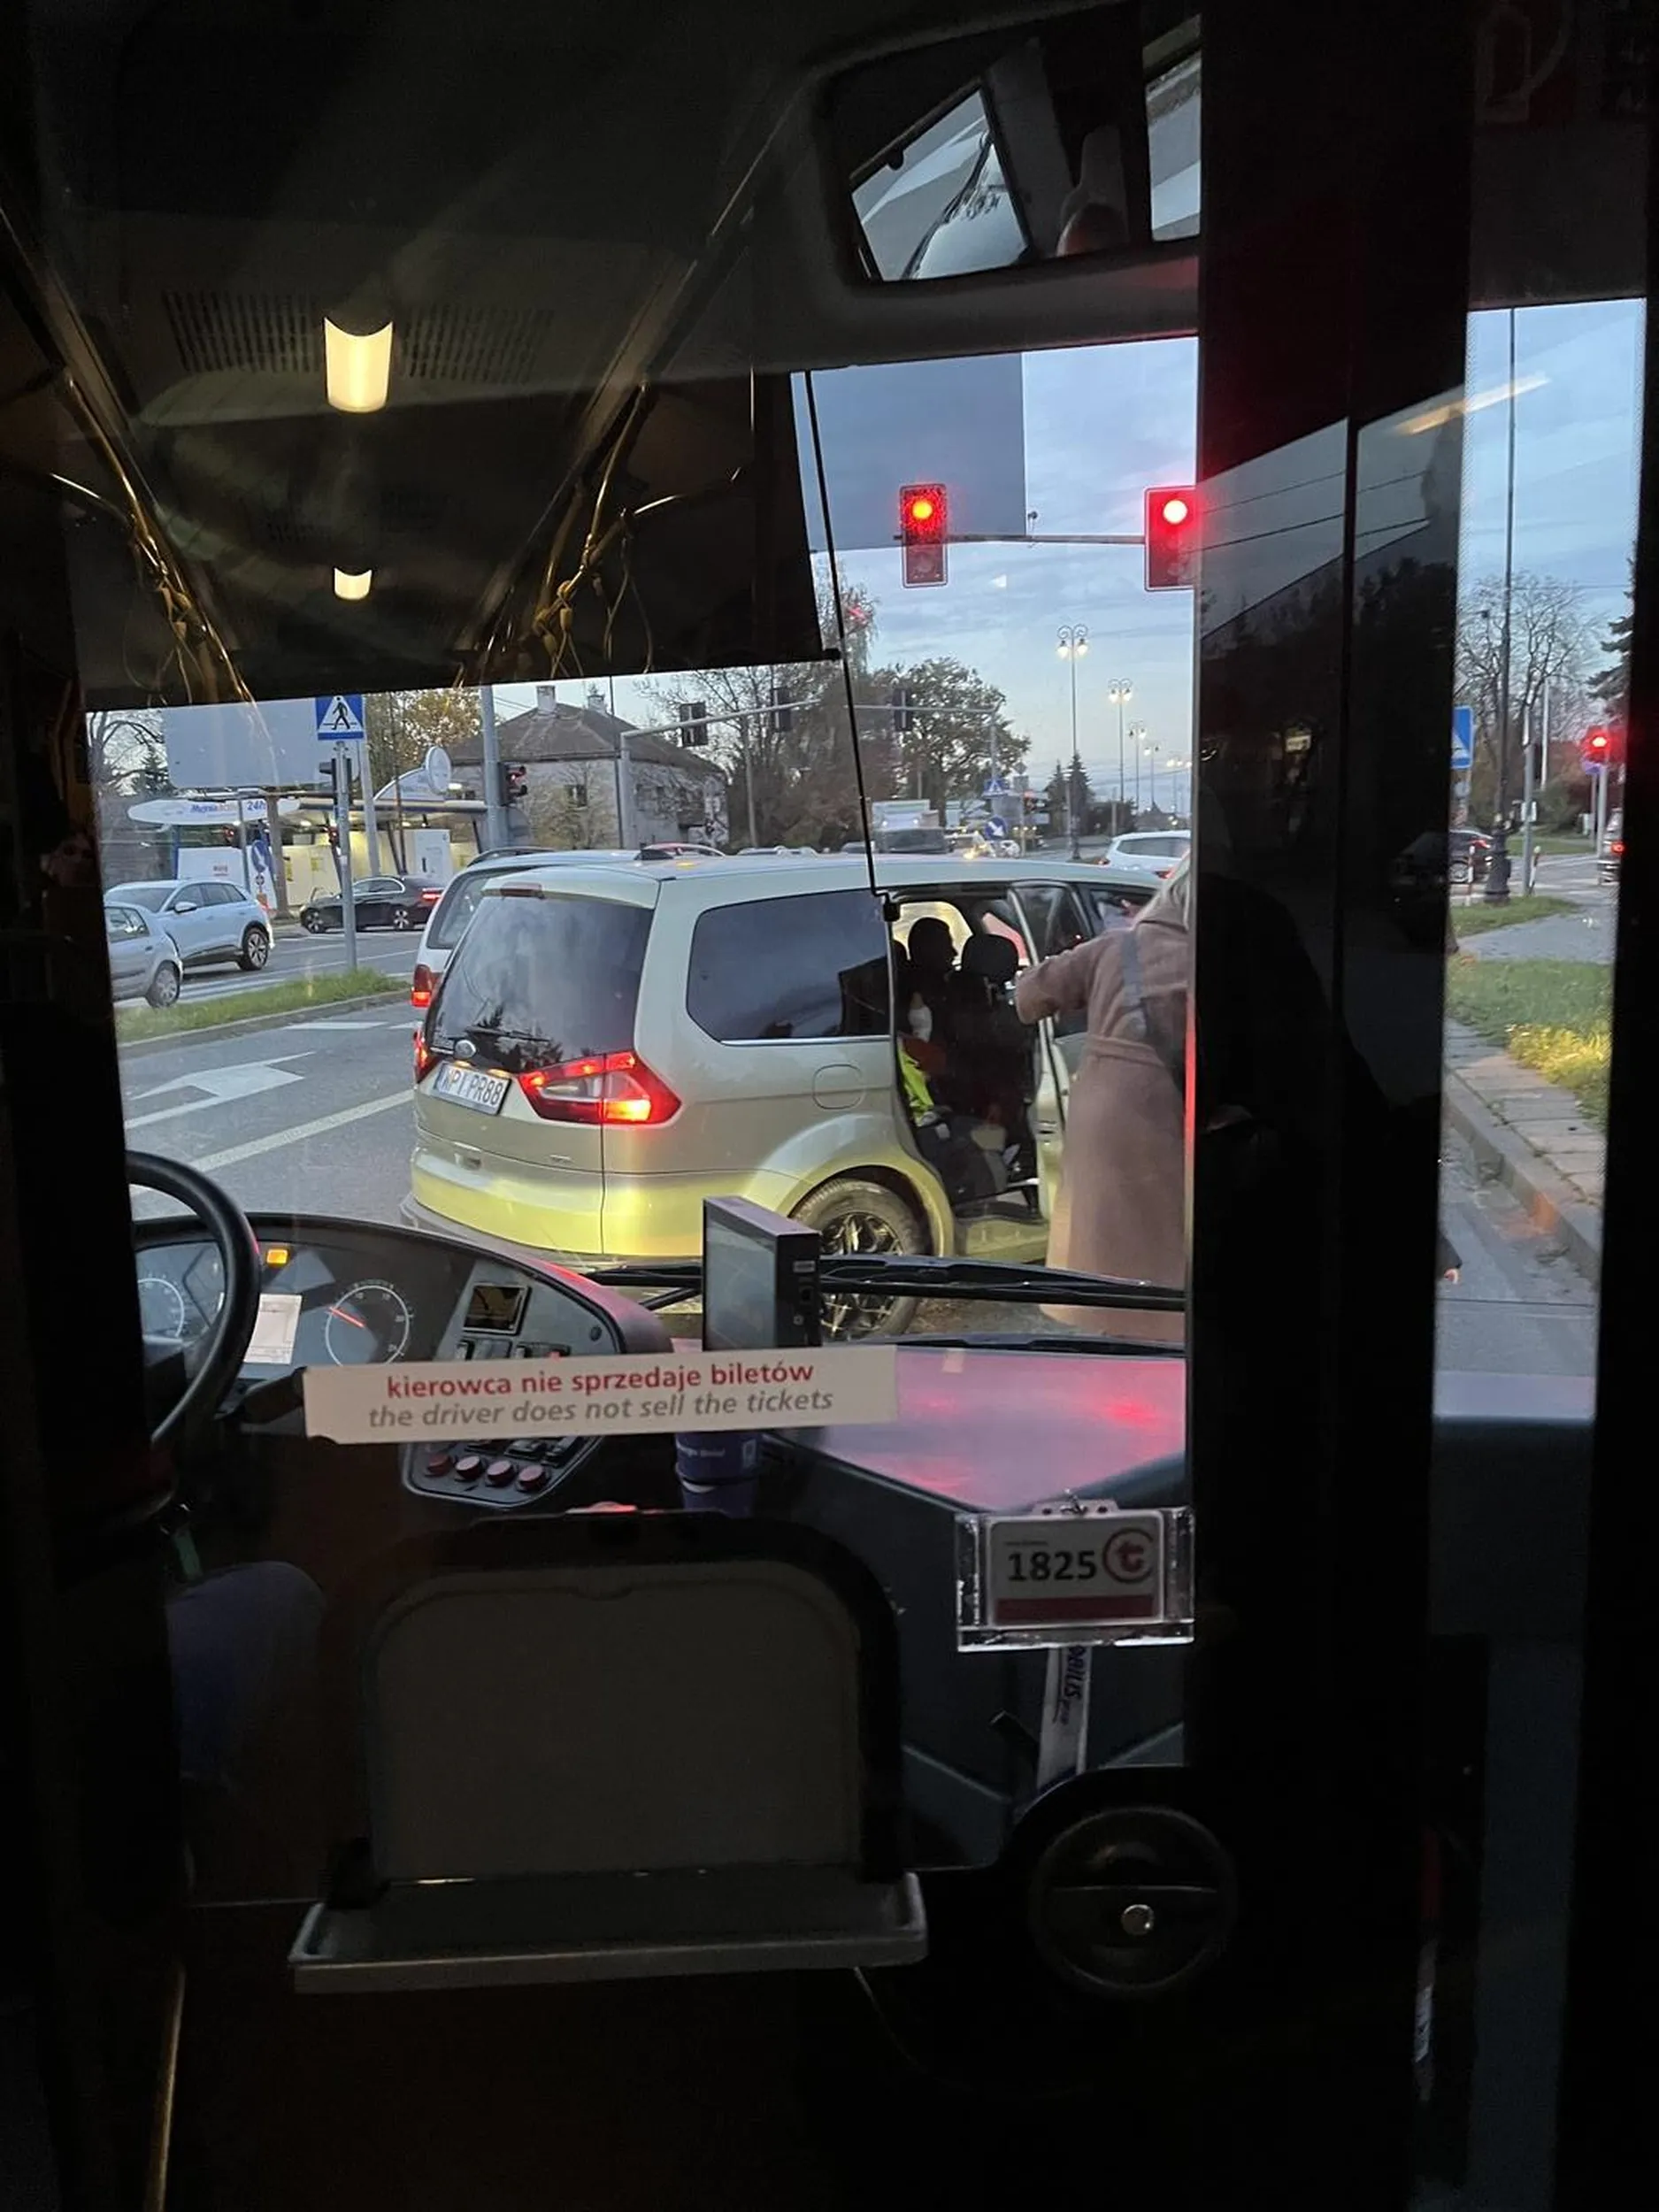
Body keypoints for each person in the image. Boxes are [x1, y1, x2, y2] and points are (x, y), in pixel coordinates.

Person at [1014, 858, 1189, 1341]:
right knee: (1163, 1245)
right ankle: (1164, 1345)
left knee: (1102, 1236)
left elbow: (1029, 999)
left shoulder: (1116, 946)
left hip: (1101, 1109)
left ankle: (1105, 1332)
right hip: (1169, 1110)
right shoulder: (1217, 960)